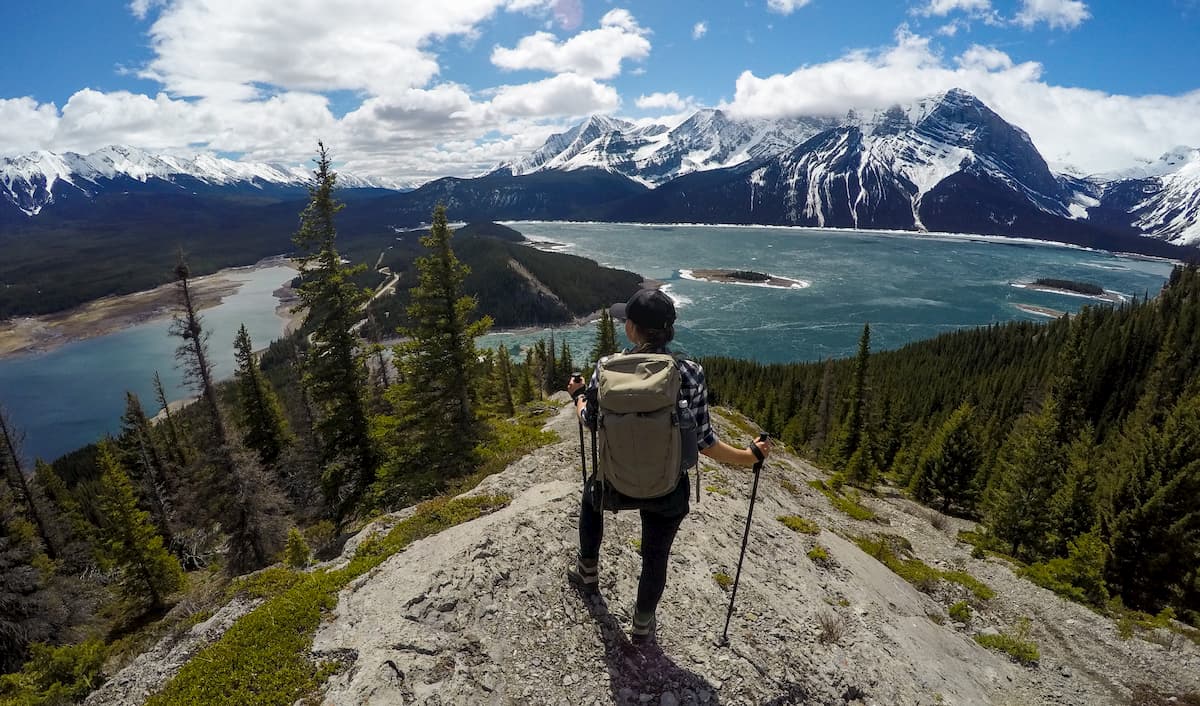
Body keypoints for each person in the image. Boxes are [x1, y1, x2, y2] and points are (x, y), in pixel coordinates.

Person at [566, 288, 772, 644]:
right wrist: (749, 455)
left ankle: (587, 572)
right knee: (655, 554)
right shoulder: (689, 372)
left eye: (625, 321)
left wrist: (577, 396)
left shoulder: (606, 368)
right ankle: (643, 623)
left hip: (615, 482)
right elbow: (705, 443)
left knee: (590, 499)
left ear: (632, 329)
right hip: (666, 488)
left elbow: (590, 420)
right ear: (669, 330)